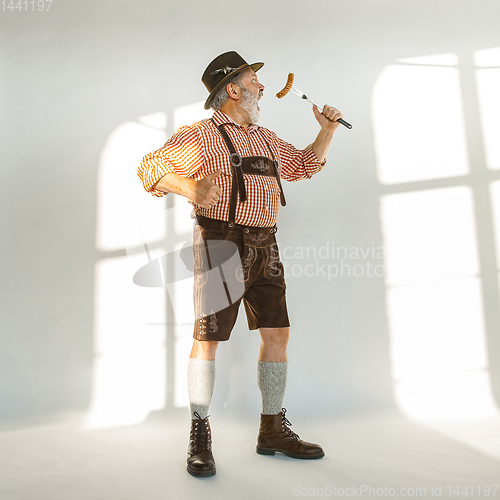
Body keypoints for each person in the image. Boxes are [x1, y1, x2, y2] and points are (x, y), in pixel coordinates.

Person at [138, 51, 344, 478]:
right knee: (208, 337)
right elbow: (149, 167)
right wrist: (189, 186)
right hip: (221, 242)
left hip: (265, 244)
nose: (262, 87)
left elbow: (304, 166)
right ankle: (199, 433)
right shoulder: (201, 134)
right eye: (254, 80)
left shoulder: (266, 137)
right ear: (232, 89)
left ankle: (272, 430)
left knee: (278, 333)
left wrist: (325, 133)